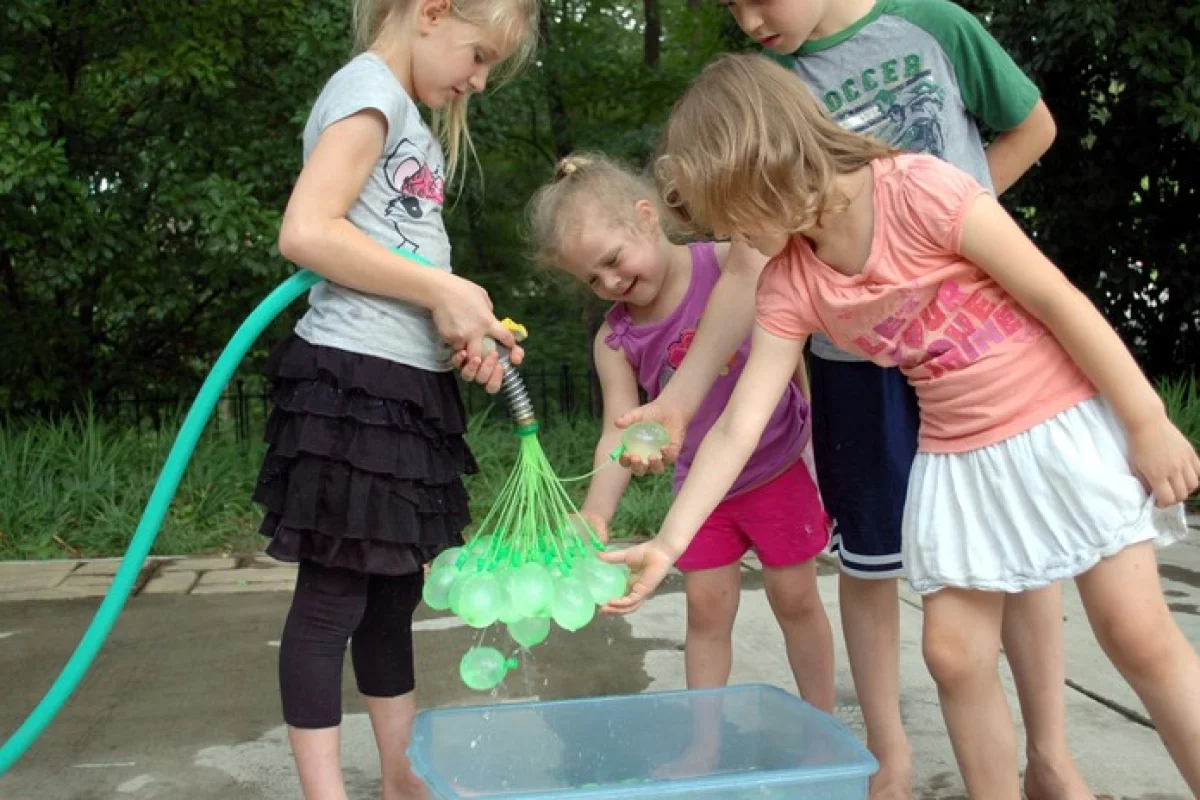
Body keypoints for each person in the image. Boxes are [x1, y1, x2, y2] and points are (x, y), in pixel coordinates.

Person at [602, 53, 1200, 799]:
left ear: (764, 164)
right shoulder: (791, 279)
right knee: (953, 654)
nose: (731, 238)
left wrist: (1146, 418)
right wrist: (668, 543)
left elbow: (1056, 298)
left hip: (1054, 420)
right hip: (956, 452)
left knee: (1136, 634)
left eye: (732, 213)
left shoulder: (920, 189)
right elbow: (737, 425)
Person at [252, 0, 537, 796]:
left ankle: (401, 780)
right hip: (352, 382)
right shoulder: (370, 91)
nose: (479, 82)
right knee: (333, 597)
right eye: (479, 56)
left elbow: (397, 257)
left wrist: (460, 328)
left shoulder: (403, 112)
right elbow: (307, 231)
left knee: (391, 596)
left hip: (403, 384)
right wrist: (442, 290)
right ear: (432, 12)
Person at [528, 152, 834, 712]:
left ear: (646, 217)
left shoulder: (729, 264)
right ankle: (704, 736)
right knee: (706, 611)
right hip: (700, 491)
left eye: (613, 260)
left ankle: (822, 719)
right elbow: (617, 432)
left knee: (795, 599)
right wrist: (596, 512)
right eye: (592, 279)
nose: (610, 282)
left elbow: (789, 342)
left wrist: (810, 422)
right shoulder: (615, 340)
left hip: (777, 467)